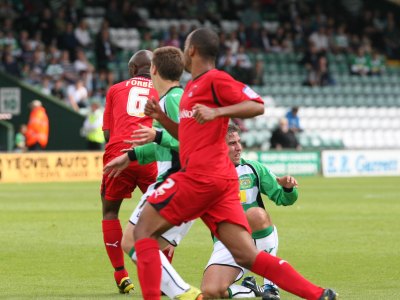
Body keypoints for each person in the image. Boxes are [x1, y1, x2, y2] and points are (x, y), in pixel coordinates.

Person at [133, 28, 337, 300]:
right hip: (219, 182)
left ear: (192, 50)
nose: (183, 50)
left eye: (185, 46)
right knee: (247, 255)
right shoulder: (191, 88)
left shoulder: (214, 79)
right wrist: (161, 116)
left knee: (141, 232)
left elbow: (257, 104)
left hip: (200, 177)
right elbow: (187, 136)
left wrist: (218, 111)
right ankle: (318, 294)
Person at [104, 46, 197, 298]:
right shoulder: (165, 99)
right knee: (146, 245)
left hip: (177, 181)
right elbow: (164, 146)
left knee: (133, 240)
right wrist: (132, 155)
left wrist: (155, 134)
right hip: (170, 177)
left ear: (153, 69)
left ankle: (186, 293)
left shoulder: (174, 99)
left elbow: (189, 140)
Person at [201, 124, 299, 300]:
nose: (238, 147)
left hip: (255, 239)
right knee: (210, 292)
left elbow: (283, 198)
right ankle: (252, 290)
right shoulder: (206, 175)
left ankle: (270, 284)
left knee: (257, 214)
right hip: (226, 241)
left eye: (239, 142)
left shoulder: (253, 169)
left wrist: (288, 189)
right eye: (232, 143)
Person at [100, 50, 158, 294]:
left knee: (110, 211)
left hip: (118, 154)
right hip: (150, 155)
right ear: (154, 68)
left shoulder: (115, 89)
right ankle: (163, 278)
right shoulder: (162, 90)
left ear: (133, 69)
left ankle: (121, 274)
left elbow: (106, 133)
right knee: (162, 215)